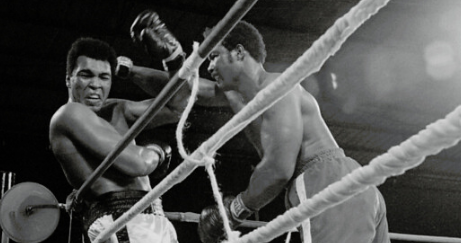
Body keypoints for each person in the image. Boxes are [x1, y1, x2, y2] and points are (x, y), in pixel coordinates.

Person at [196, 21, 391, 243]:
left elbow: (278, 169)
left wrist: (234, 210)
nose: (209, 66)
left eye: (214, 56)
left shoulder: (276, 88)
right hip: (353, 185)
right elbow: (184, 92)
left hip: (325, 182)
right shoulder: (242, 96)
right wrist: (171, 59)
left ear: (239, 52)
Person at [48, 37, 180, 243]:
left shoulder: (116, 110)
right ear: (68, 79)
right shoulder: (69, 114)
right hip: (122, 219)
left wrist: (153, 66)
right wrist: (158, 151)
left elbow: (177, 107)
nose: (95, 85)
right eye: (86, 75)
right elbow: (138, 164)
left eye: (104, 77)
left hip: (148, 218)